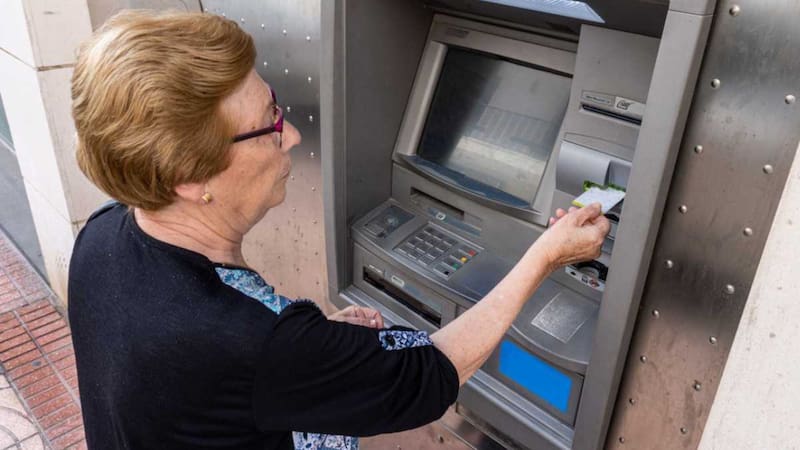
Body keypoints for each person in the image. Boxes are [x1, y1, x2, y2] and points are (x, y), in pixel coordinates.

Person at [67, 9, 610, 450]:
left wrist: (319, 353)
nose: (294, 135)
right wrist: (543, 256)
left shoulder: (103, 238)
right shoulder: (254, 344)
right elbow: (428, 377)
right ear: (189, 175)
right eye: (269, 124)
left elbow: (208, 387)